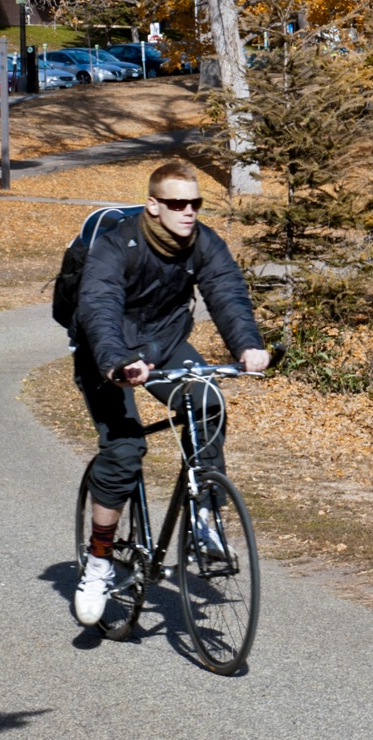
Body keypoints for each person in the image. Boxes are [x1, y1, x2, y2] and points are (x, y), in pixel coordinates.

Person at [73, 158, 270, 625]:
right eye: (178, 203)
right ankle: (99, 563)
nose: (188, 212)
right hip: (108, 355)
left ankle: (204, 516)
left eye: (195, 203)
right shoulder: (114, 247)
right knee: (124, 452)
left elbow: (226, 292)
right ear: (153, 205)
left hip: (163, 345)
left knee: (207, 400)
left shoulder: (203, 242)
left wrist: (248, 345)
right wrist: (118, 362)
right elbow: (98, 306)